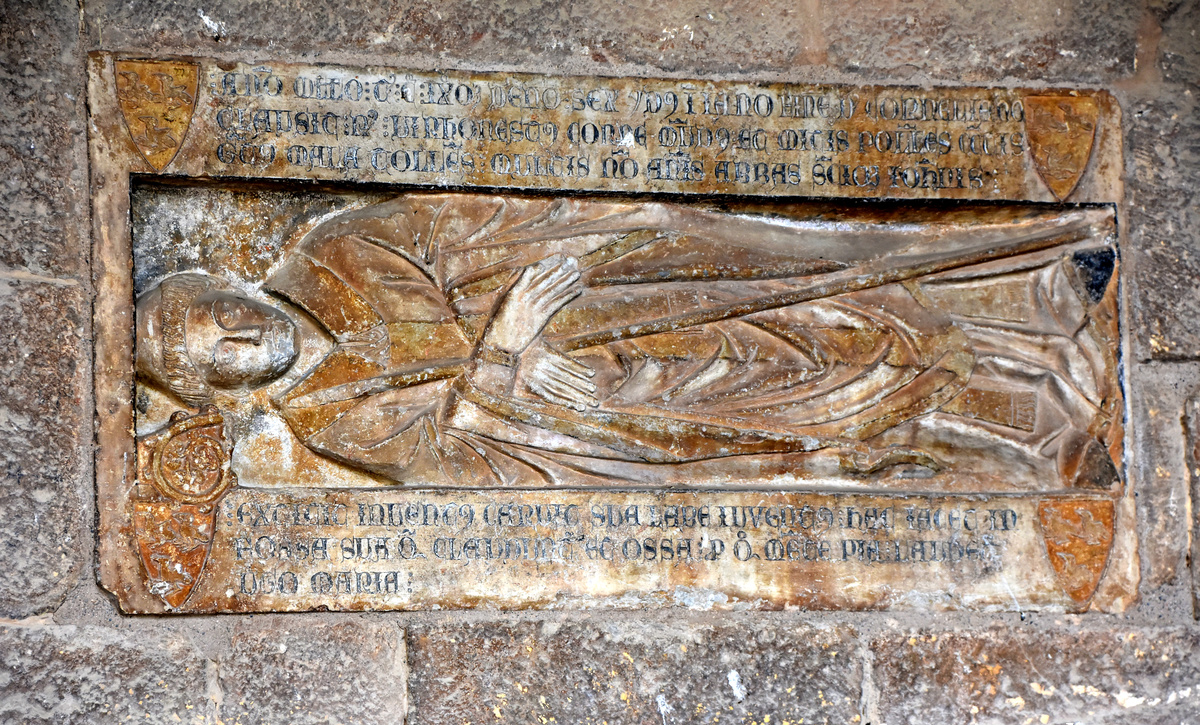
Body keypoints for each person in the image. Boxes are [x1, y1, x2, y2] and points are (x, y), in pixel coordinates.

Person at [135, 193, 1118, 488]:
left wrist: (530, 292)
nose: (233, 336)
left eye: (213, 309)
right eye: (207, 356)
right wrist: (505, 357)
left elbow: (465, 224)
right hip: (605, 405)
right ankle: (1019, 433)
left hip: (616, 287)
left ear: (226, 279)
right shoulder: (327, 420)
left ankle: (1025, 304)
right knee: (816, 400)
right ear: (217, 392)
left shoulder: (334, 248)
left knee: (818, 301)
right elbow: (454, 463)